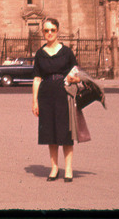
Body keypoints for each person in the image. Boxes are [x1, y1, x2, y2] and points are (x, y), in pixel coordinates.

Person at [32, 17, 80, 182]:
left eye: (52, 30)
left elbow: (77, 73)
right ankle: (54, 168)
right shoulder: (40, 54)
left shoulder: (66, 52)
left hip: (64, 94)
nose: (49, 33)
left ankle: (68, 169)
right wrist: (34, 101)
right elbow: (37, 78)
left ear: (57, 31)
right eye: (46, 30)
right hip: (45, 95)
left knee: (66, 132)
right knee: (50, 133)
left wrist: (73, 78)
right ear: (43, 33)